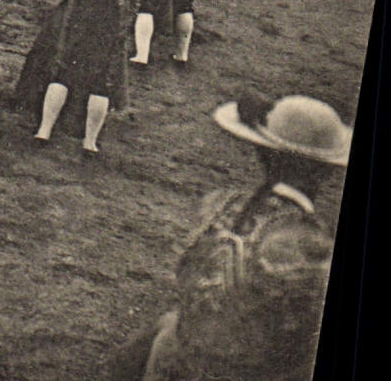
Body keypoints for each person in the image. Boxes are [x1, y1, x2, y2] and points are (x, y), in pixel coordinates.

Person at [114, 93, 350, 381]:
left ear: (261, 153)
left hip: (178, 358)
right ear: (325, 172)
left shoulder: (219, 205)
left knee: (167, 327)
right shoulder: (313, 248)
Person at [15, 0, 155, 156]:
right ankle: (90, 142)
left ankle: (44, 130)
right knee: (103, 76)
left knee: (64, 64)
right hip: (114, 7)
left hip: (83, 0)